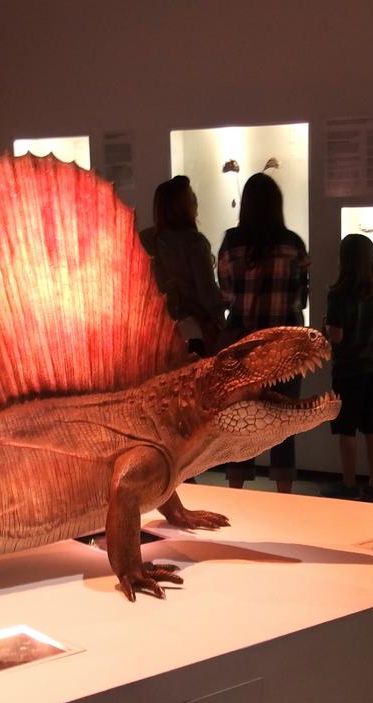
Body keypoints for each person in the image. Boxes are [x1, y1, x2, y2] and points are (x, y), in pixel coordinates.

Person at [217, 172, 309, 492]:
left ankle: (237, 494)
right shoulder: (293, 244)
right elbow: (301, 297)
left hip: (243, 347)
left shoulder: (231, 242)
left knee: (242, 421)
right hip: (286, 346)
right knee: (283, 422)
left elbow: (226, 295)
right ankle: (284, 495)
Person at [321, 234, 373, 502]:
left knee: (346, 428)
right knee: (372, 426)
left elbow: (335, 336)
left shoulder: (338, 294)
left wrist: (324, 327)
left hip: (348, 370)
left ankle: (348, 484)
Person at [139, 176, 224, 356]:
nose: (195, 199)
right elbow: (207, 293)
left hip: (157, 333)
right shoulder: (195, 243)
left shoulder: (144, 240)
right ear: (182, 206)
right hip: (194, 334)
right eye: (191, 195)